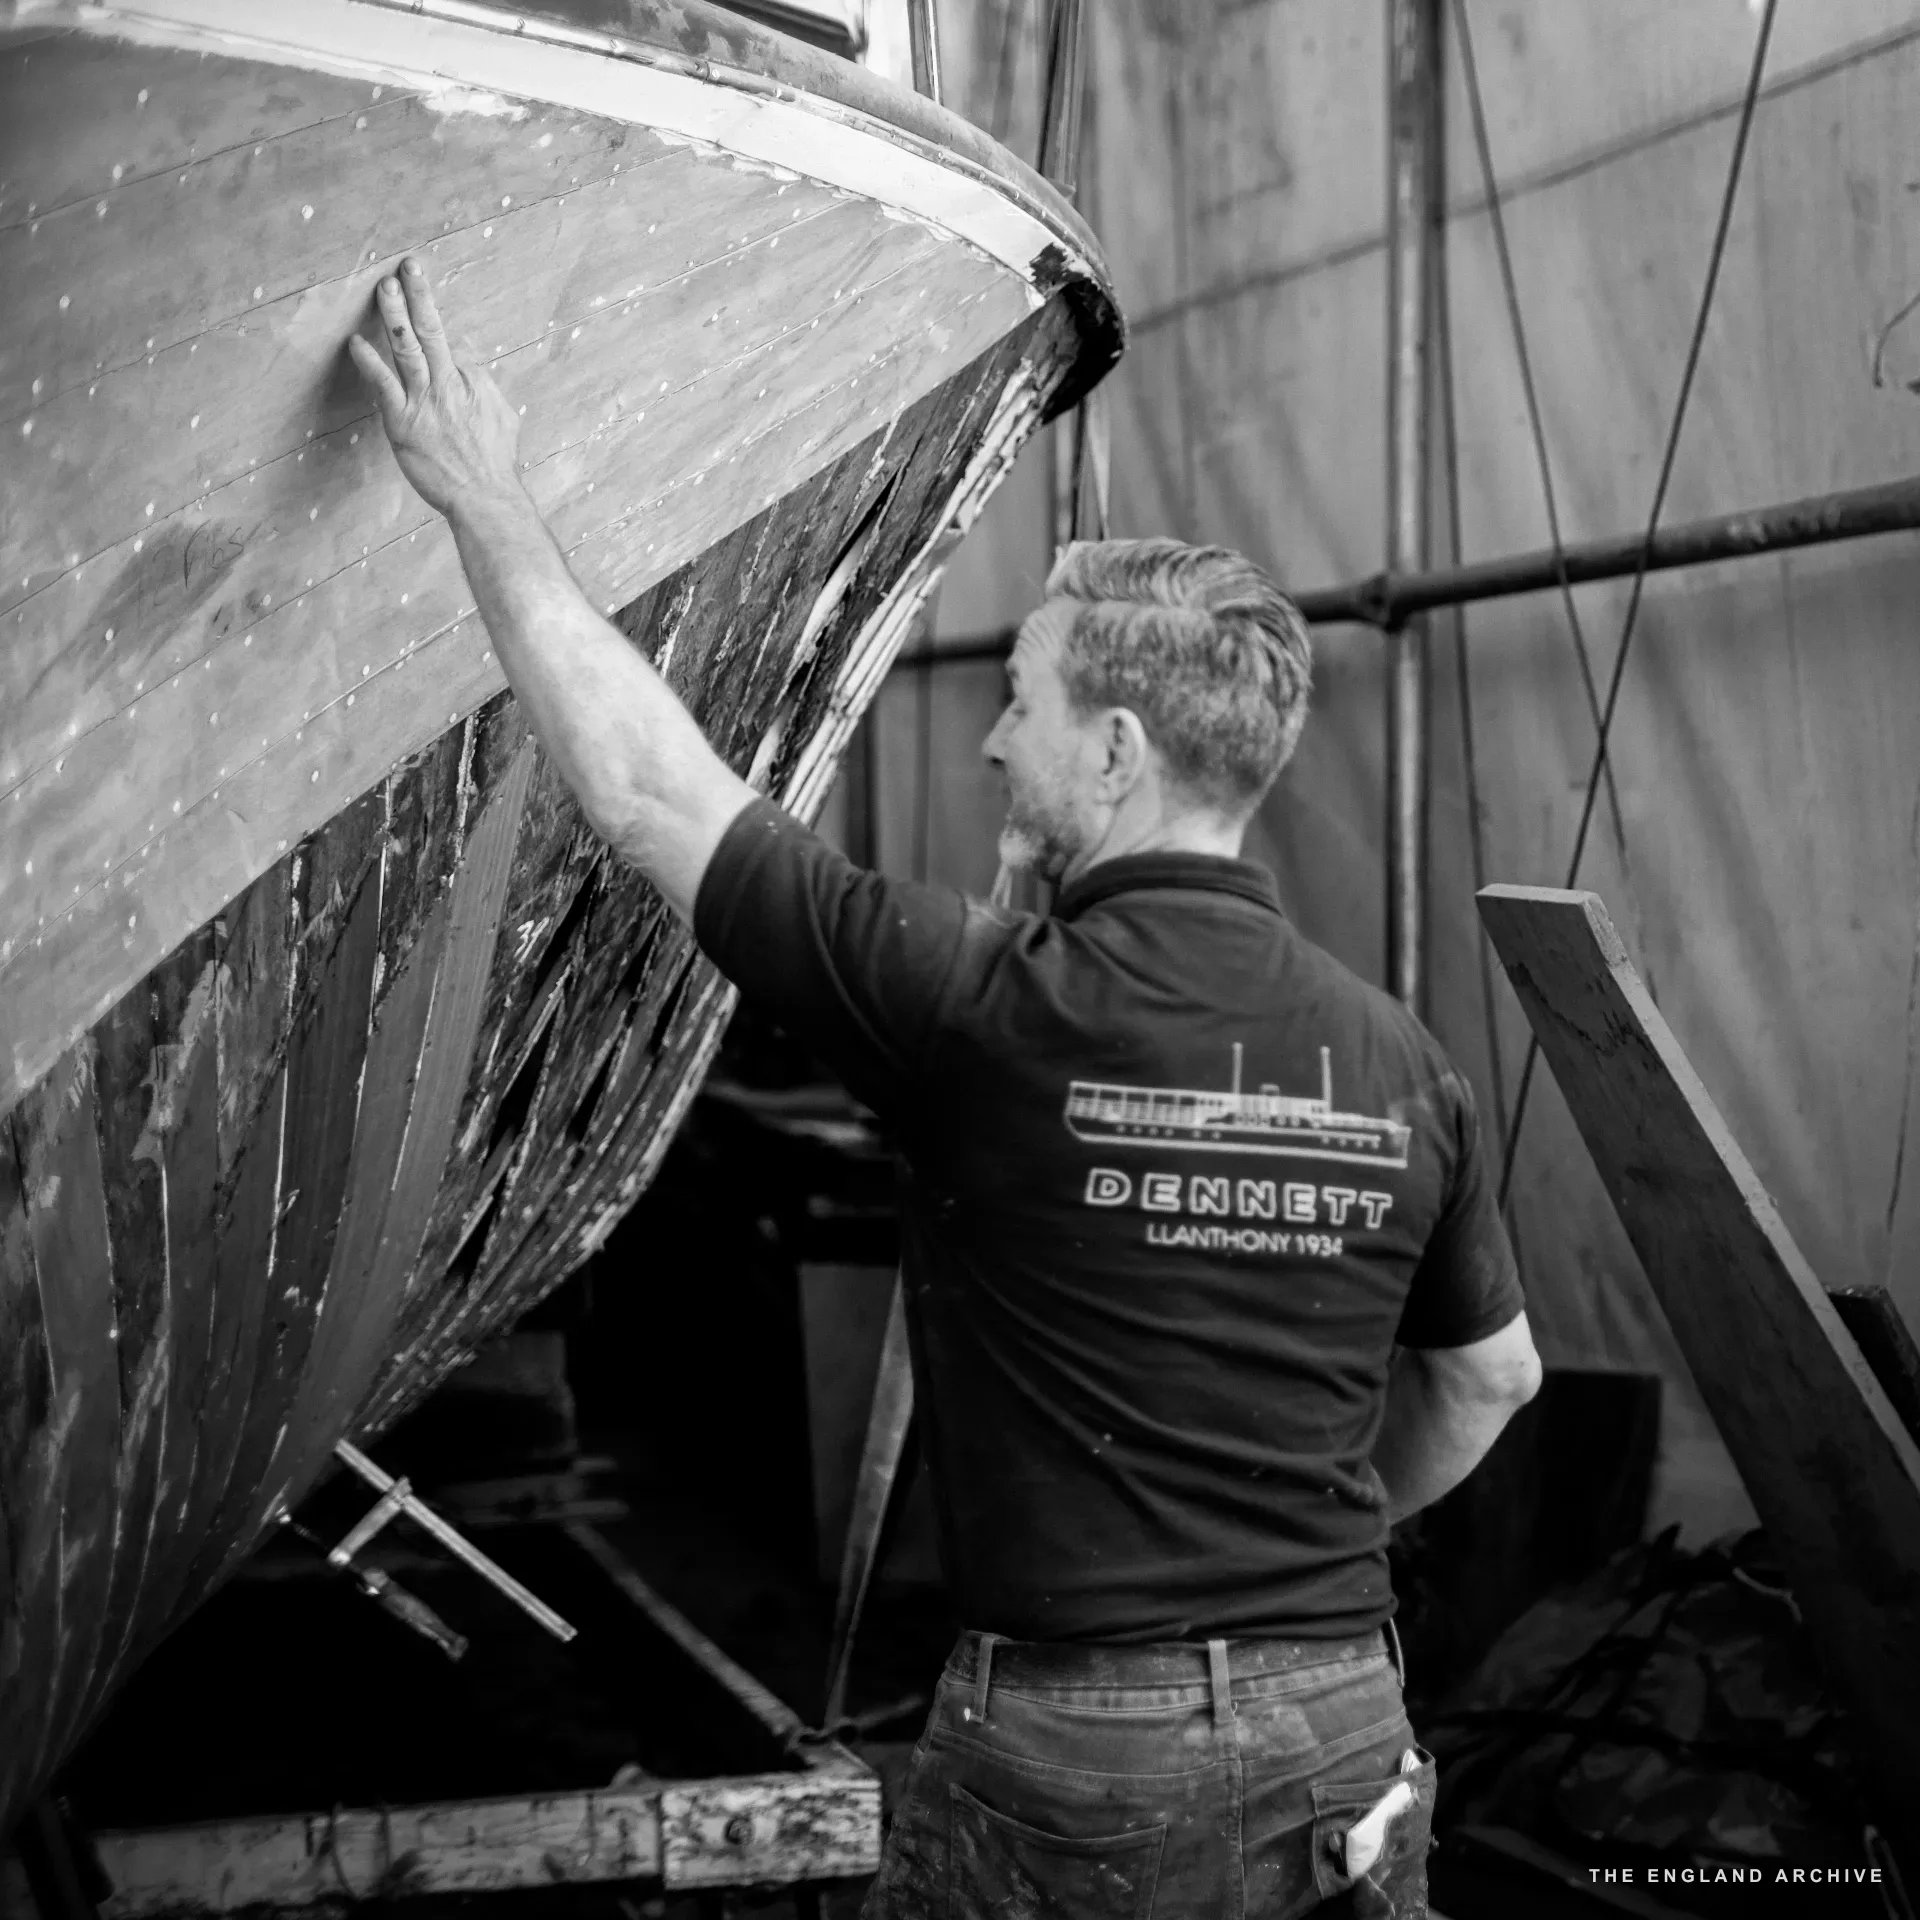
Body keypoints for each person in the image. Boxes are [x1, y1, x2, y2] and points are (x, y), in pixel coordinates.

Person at [351, 259, 1541, 1917]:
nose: (989, 746)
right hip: (1347, 1720)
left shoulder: (982, 1008)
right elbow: (1492, 1378)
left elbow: (645, 792)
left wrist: (482, 499)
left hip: (1085, 1752)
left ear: (1117, 752)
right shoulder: (1408, 1062)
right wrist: (1299, 1573)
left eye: (1021, 707)